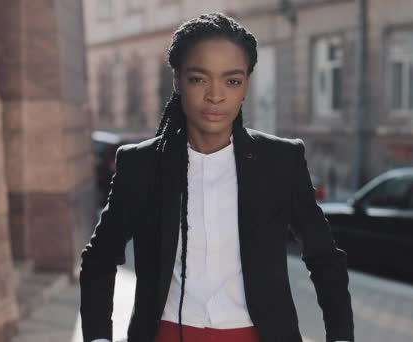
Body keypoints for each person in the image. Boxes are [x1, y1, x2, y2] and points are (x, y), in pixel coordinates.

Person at [79, 12, 354, 342]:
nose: (215, 95)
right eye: (199, 78)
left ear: (246, 86)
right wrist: (98, 338)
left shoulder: (280, 161)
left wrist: (340, 337)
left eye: (232, 81)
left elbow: (325, 258)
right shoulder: (141, 164)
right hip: (165, 335)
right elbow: (99, 258)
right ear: (178, 80)